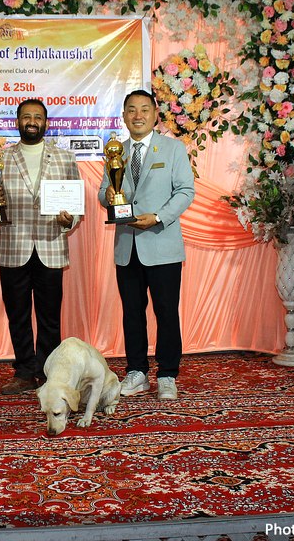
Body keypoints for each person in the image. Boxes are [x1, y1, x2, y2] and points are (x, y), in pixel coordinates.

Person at [98, 89, 195, 400]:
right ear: (124, 116)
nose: (137, 115)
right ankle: (136, 372)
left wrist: (158, 217)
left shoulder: (173, 148)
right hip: (127, 247)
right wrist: (108, 196)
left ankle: (167, 374)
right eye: (131, 110)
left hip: (162, 244)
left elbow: (185, 191)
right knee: (132, 313)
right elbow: (104, 191)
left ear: (155, 115)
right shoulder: (116, 151)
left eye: (144, 109)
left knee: (166, 312)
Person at [0, 99, 81, 395]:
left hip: (51, 247)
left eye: (38, 117)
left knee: (49, 317)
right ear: (17, 122)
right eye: (26, 116)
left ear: (46, 123)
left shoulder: (65, 158)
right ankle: (24, 372)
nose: (32, 121)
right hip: (12, 247)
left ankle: (49, 371)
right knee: (17, 316)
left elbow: (75, 204)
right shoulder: (0, 158)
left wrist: (69, 219)